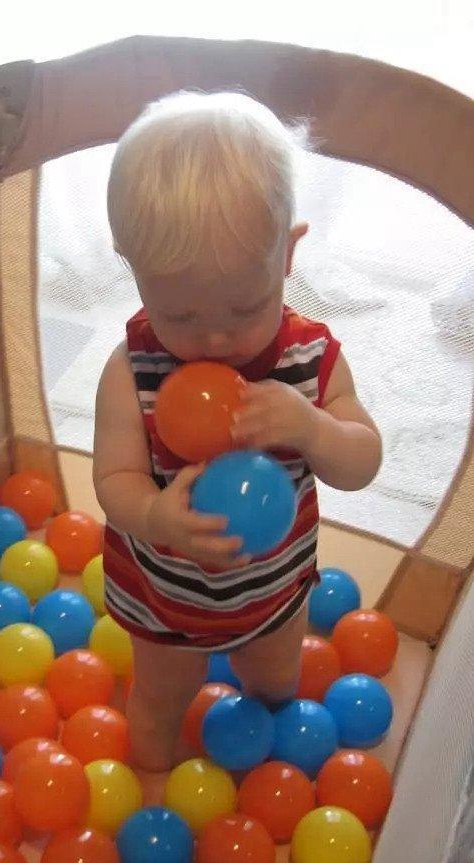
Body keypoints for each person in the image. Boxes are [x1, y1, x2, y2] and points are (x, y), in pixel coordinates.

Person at [93, 91, 382, 771]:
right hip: (163, 599)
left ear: (287, 254)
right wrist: (155, 516)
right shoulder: (132, 368)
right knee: (160, 702)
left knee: (275, 685)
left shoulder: (308, 361)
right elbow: (113, 480)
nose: (214, 338)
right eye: (181, 316)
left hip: (274, 594)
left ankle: (268, 763)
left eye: (243, 307)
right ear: (132, 271)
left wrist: (310, 427)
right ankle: (152, 786)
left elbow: (361, 462)